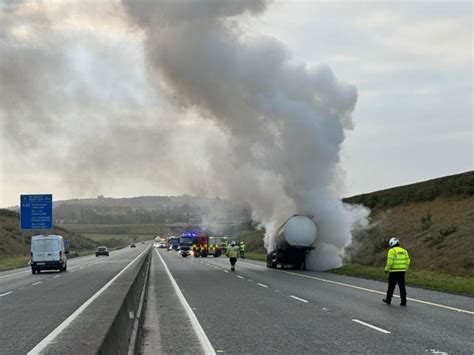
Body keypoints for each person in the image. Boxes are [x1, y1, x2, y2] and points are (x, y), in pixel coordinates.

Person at [383, 237, 410, 306]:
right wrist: (405, 269)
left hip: (393, 272)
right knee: (402, 286)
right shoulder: (404, 251)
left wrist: (386, 269)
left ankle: (388, 300)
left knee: (391, 286)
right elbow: (408, 261)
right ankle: (403, 301)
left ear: (392, 243)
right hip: (402, 272)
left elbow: (390, 262)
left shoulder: (392, 251)